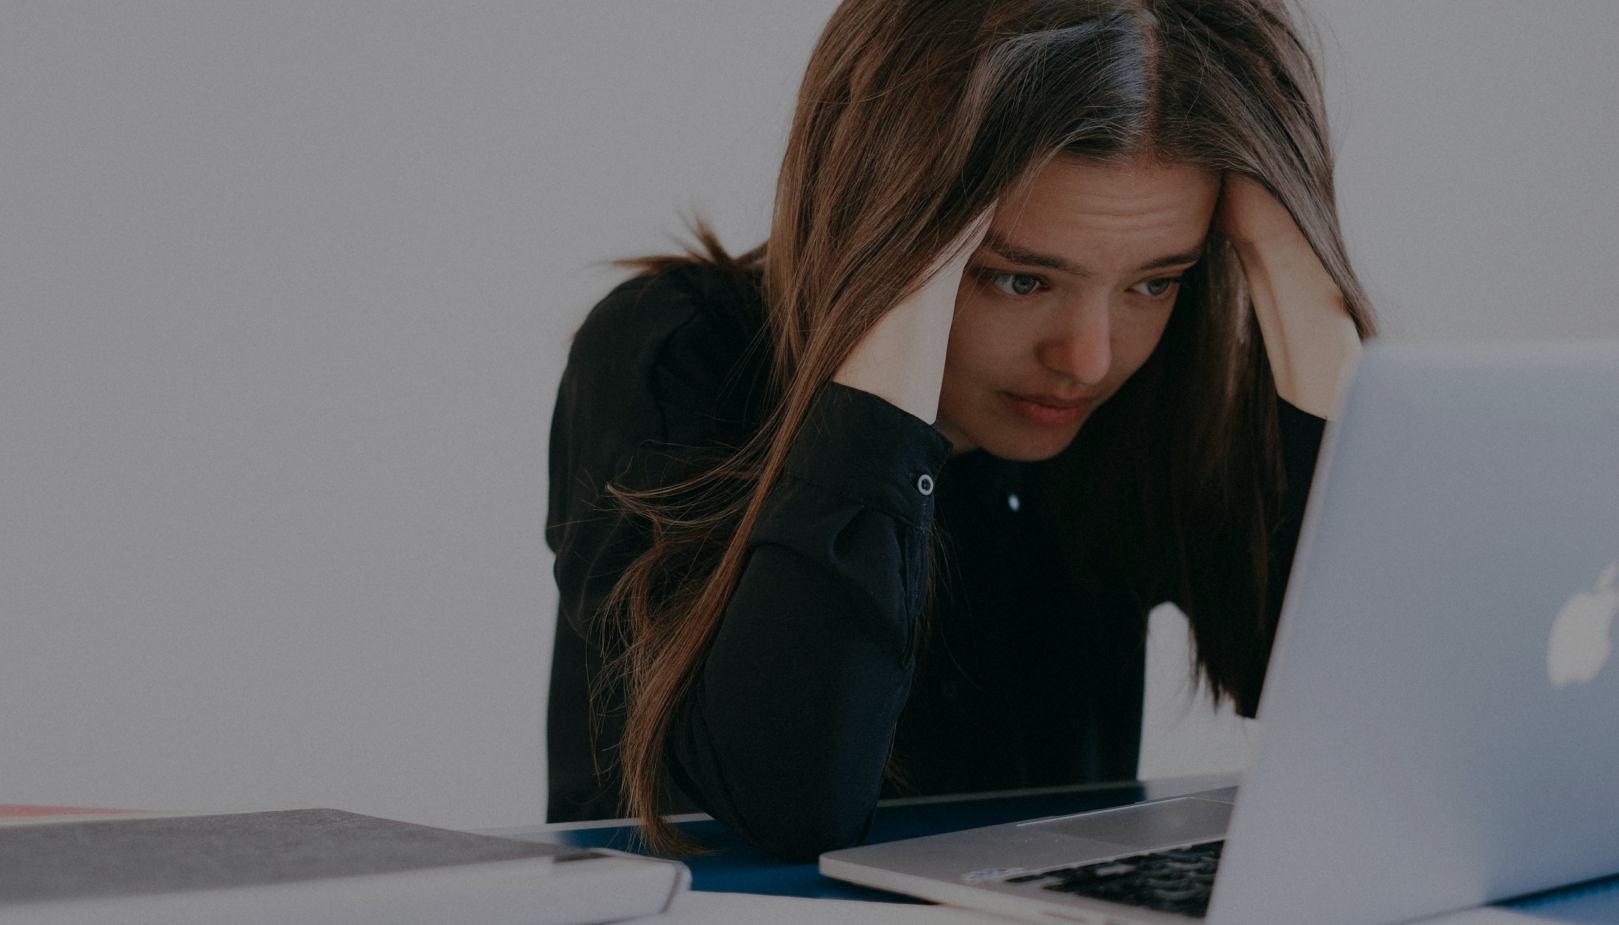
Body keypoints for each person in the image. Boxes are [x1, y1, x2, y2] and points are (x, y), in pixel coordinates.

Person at [546, 0, 1375, 861]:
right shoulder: (672, 353)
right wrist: (892, 319)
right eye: (1017, 280)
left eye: (1154, 282)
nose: (1087, 359)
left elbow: (1378, 713)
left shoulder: (1152, 390)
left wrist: (1299, 273)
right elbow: (788, 798)